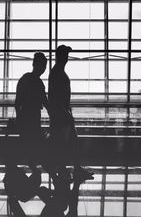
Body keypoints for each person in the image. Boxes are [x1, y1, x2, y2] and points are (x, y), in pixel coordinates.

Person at [48, 45, 93, 183]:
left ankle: (71, 169)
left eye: (67, 55)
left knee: (70, 141)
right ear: (59, 56)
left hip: (62, 113)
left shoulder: (58, 71)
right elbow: (54, 96)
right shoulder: (57, 72)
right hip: (61, 115)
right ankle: (65, 170)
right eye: (65, 54)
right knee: (65, 141)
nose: (67, 57)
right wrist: (65, 112)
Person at [14, 52, 49, 164]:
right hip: (33, 117)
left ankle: (27, 165)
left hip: (25, 116)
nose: (43, 69)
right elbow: (45, 102)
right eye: (43, 66)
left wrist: (19, 117)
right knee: (34, 144)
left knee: (27, 143)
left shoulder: (25, 79)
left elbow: (17, 101)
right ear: (36, 65)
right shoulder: (39, 83)